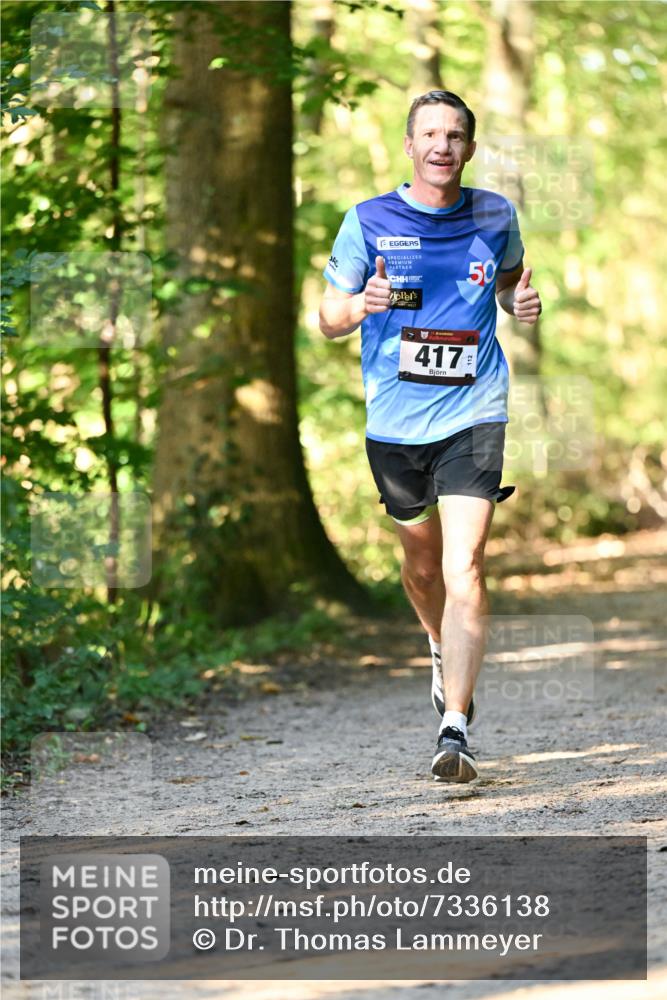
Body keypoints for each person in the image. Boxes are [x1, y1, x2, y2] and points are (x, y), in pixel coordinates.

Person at [319, 90, 541, 783]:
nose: (442, 146)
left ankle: (456, 726)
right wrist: (360, 305)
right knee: (421, 567)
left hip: (474, 410)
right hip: (394, 421)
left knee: (464, 565)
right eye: (430, 135)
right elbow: (324, 317)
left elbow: (507, 284)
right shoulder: (367, 221)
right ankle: (439, 647)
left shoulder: (494, 215)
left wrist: (518, 302)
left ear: (468, 149)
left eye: (455, 136)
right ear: (410, 146)